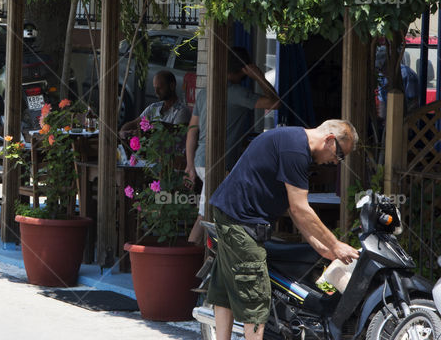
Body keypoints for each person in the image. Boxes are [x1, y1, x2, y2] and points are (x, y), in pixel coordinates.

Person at [207, 120, 360, 340]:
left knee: (224, 291)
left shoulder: (294, 142)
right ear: (329, 139)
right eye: (340, 155)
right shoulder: (296, 151)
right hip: (242, 222)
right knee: (256, 299)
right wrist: (335, 245)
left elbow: (293, 208)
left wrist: (318, 245)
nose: (336, 162)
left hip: (229, 214)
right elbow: (300, 208)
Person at [186, 46, 280, 243]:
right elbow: (275, 102)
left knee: (214, 212)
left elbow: (192, 130)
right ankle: (189, 261)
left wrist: (190, 164)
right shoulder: (237, 93)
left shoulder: (205, 93)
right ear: (243, 69)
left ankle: (205, 258)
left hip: (202, 159)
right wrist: (259, 77)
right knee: (206, 214)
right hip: (219, 164)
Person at [119, 70, 192, 137]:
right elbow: (135, 123)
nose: (156, 92)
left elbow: (174, 137)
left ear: (172, 86)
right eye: (155, 88)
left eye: (160, 88)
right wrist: (123, 131)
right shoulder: (153, 107)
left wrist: (145, 133)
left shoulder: (182, 111)